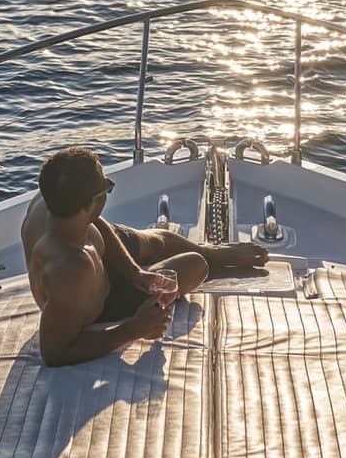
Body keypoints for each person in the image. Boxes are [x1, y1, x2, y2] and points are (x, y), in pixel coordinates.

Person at [23, 147, 269, 366]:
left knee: (159, 241)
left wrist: (135, 272)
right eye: (106, 189)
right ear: (88, 205)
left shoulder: (54, 202)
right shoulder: (69, 271)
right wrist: (134, 328)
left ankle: (210, 251)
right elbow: (54, 352)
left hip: (95, 247)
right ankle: (203, 257)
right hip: (99, 300)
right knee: (195, 265)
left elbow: (95, 221)